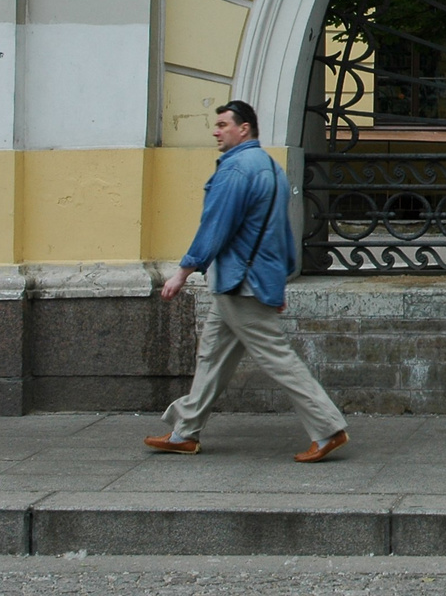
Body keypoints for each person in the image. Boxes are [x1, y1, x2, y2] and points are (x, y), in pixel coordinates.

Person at [145, 101, 350, 463]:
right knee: (212, 357)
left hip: (240, 282)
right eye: (217, 124)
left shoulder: (236, 169)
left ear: (245, 129)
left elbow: (215, 225)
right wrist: (281, 279)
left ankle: (328, 428)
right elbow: (285, 232)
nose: (216, 130)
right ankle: (184, 432)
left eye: (223, 124)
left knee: (276, 357)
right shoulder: (272, 168)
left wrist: (184, 271)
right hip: (248, 282)